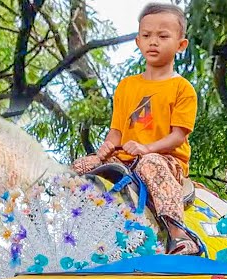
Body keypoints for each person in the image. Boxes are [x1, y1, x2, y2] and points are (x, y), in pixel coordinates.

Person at [72, 2, 198, 253]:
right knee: (77, 167)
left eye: (163, 36)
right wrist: (103, 152)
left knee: (150, 162)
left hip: (164, 159)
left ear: (180, 45)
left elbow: (177, 136)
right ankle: (71, 238)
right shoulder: (126, 87)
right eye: (147, 35)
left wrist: (146, 148)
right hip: (127, 158)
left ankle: (178, 233)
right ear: (138, 41)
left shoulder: (182, 88)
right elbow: (117, 131)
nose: (154, 42)